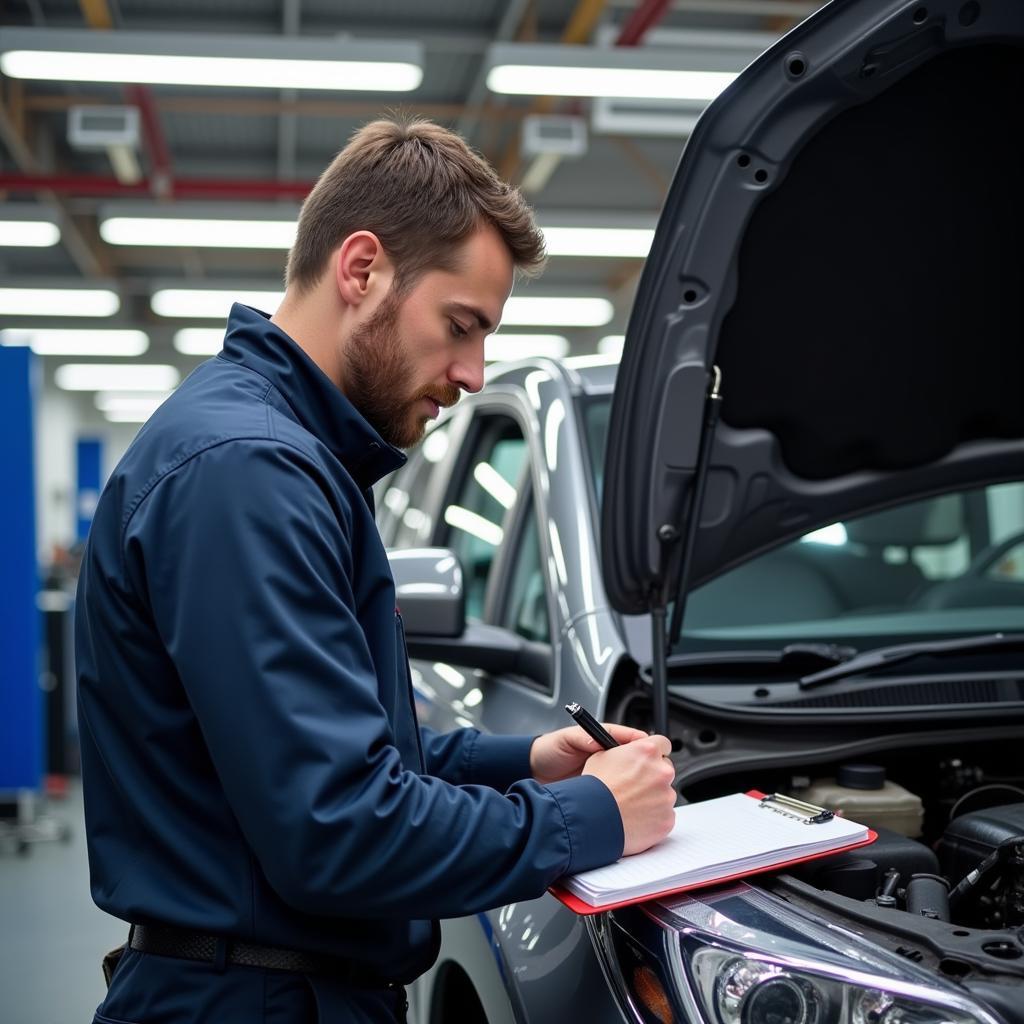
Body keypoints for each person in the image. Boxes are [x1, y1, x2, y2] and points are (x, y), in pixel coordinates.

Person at [75, 117, 677, 1024]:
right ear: (362, 270)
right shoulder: (249, 472)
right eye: (460, 325)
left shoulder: (286, 456)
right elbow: (337, 828)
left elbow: (321, 751)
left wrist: (529, 761)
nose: (475, 372)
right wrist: (590, 818)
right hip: (258, 1001)